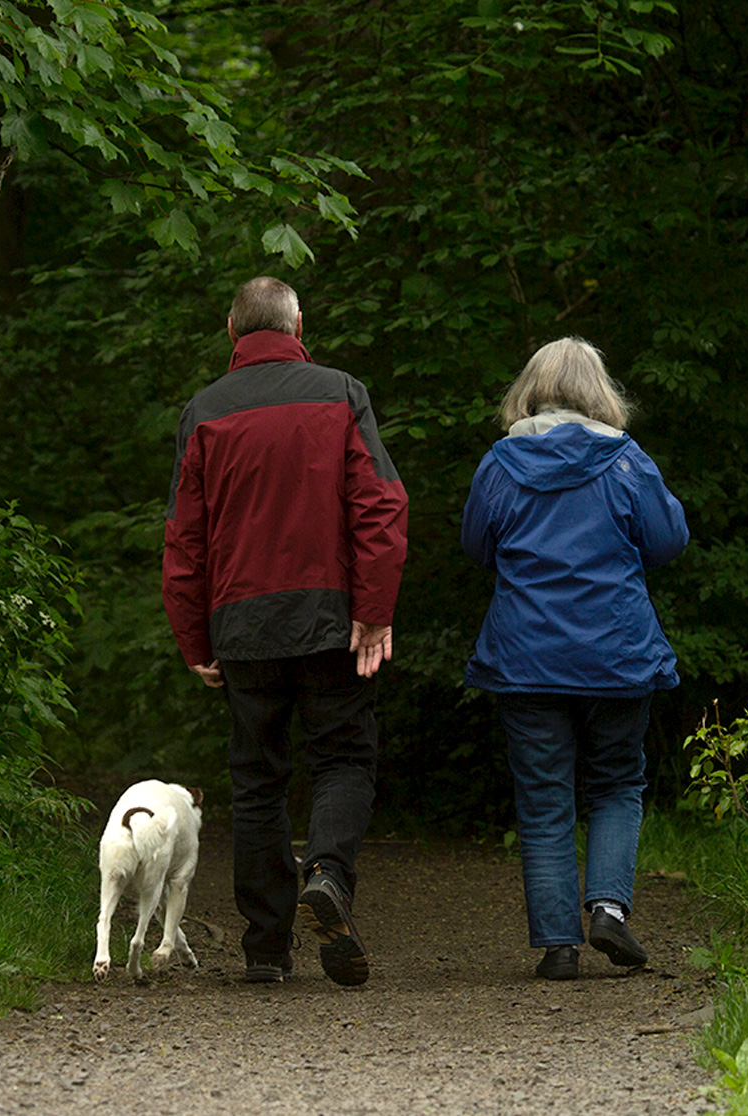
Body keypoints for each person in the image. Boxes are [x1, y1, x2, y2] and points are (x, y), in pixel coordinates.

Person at [163, 276, 408, 986]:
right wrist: (375, 608)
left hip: (242, 624)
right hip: (332, 616)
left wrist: (194, 639)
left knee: (258, 782)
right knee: (343, 761)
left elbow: (185, 539)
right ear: (299, 322)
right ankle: (327, 875)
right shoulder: (340, 393)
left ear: (230, 329)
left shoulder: (204, 410)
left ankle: (267, 948)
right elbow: (380, 507)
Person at [461, 337, 689, 980]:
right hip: (615, 653)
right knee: (617, 782)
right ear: (599, 392)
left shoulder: (500, 464)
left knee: (543, 799)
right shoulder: (626, 461)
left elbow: (476, 545)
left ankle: (558, 946)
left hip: (526, 656)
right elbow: (668, 540)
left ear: (529, 392)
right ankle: (609, 910)